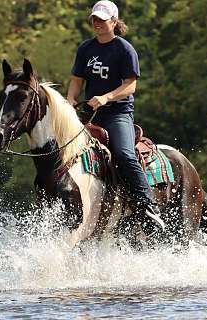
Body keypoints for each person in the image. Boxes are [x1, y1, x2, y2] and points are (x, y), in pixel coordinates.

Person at [66, 0, 165, 234]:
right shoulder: (85, 49)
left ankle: (148, 206)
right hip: (90, 114)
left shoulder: (124, 49)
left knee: (124, 154)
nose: (97, 23)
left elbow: (130, 86)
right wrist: (70, 101)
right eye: (95, 19)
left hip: (118, 113)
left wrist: (106, 97)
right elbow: (76, 81)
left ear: (114, 21)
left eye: (102, 19)